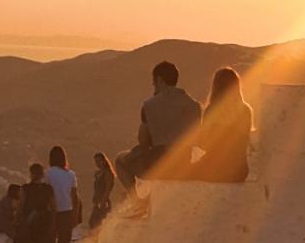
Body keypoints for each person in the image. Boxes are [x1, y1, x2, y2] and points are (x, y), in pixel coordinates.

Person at [115, 60, 202, 202]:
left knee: (120, 160)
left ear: (160, 81)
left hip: (160, 164)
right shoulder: (194, 105)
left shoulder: (150, 105)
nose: (153, 86)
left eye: (154, 82)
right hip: (184, 162)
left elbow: (142, 140)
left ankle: (138, 202)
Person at [192, 67, 253, 182]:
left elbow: (204, 143)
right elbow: (245, 141)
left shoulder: (212, 110)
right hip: (240, 171)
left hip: (215, 168)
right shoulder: (246, 110)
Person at [15, 162, 56, 243]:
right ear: (42, 174)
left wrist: (18, 220)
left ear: (31, 173)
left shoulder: (25, 188)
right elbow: (53, 207)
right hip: (43, 222)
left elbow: (20, 206)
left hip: (27, 221)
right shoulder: (48, 189)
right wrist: (53, 223)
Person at [46, 145, 81, 243]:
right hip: (66, 212)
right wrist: (75, 214)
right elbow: (75, 197)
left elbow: (45, 194)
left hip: (50, 213)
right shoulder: (70, 174)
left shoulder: (47, 174)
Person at [89, 152, 116, 231]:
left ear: (104, 161)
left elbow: (108, 188)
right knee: (93, 222)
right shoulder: (97, 173)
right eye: (96, 161)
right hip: (97, 200)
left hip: (103, 201)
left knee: (99, 223)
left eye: (99, 161)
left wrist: (103, 201)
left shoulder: (108, 174)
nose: (98, 163)